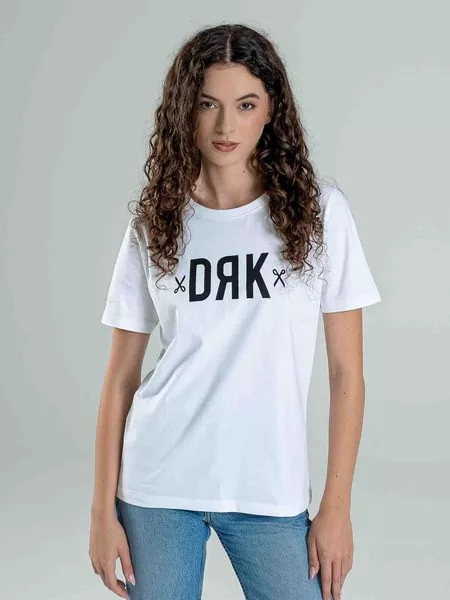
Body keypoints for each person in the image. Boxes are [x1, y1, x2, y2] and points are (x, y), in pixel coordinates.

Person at [89, 23, 381, 600]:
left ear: (271, 109)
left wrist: (336, 507)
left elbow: (346, 372)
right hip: (157, 485)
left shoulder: (320, 215)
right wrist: (101, 512)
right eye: (208, 104)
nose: (225, 126)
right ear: (185, 110)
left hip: (268, 488)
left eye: (245, 104)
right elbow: (121, 378)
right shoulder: (156, 222)